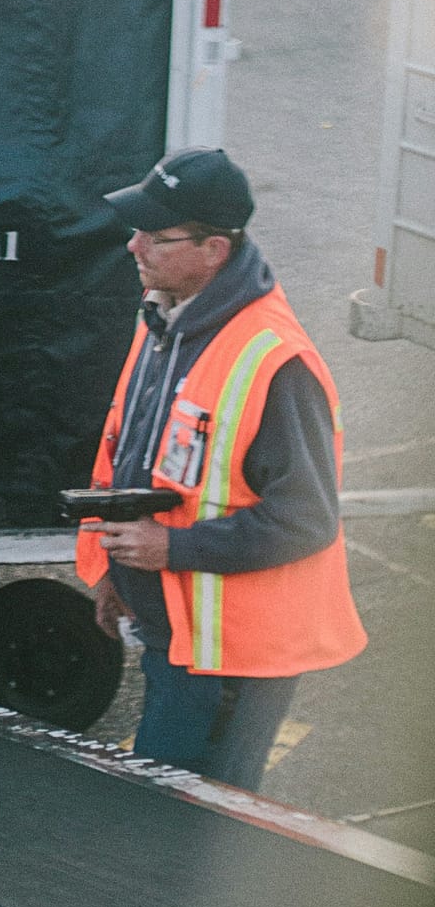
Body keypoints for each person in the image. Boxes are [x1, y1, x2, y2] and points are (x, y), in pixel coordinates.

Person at [76, 147, 366, 790]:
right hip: (180, 638)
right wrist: (119, 573)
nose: (134, 248)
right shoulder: (168, 320)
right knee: (166, 816)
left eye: (157, 236)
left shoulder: (275, 361)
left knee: (195, 828)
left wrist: (170, 548)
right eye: (136, 230)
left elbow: (306, 520)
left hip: (232, 657)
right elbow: (147, 463)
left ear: (215, 250)